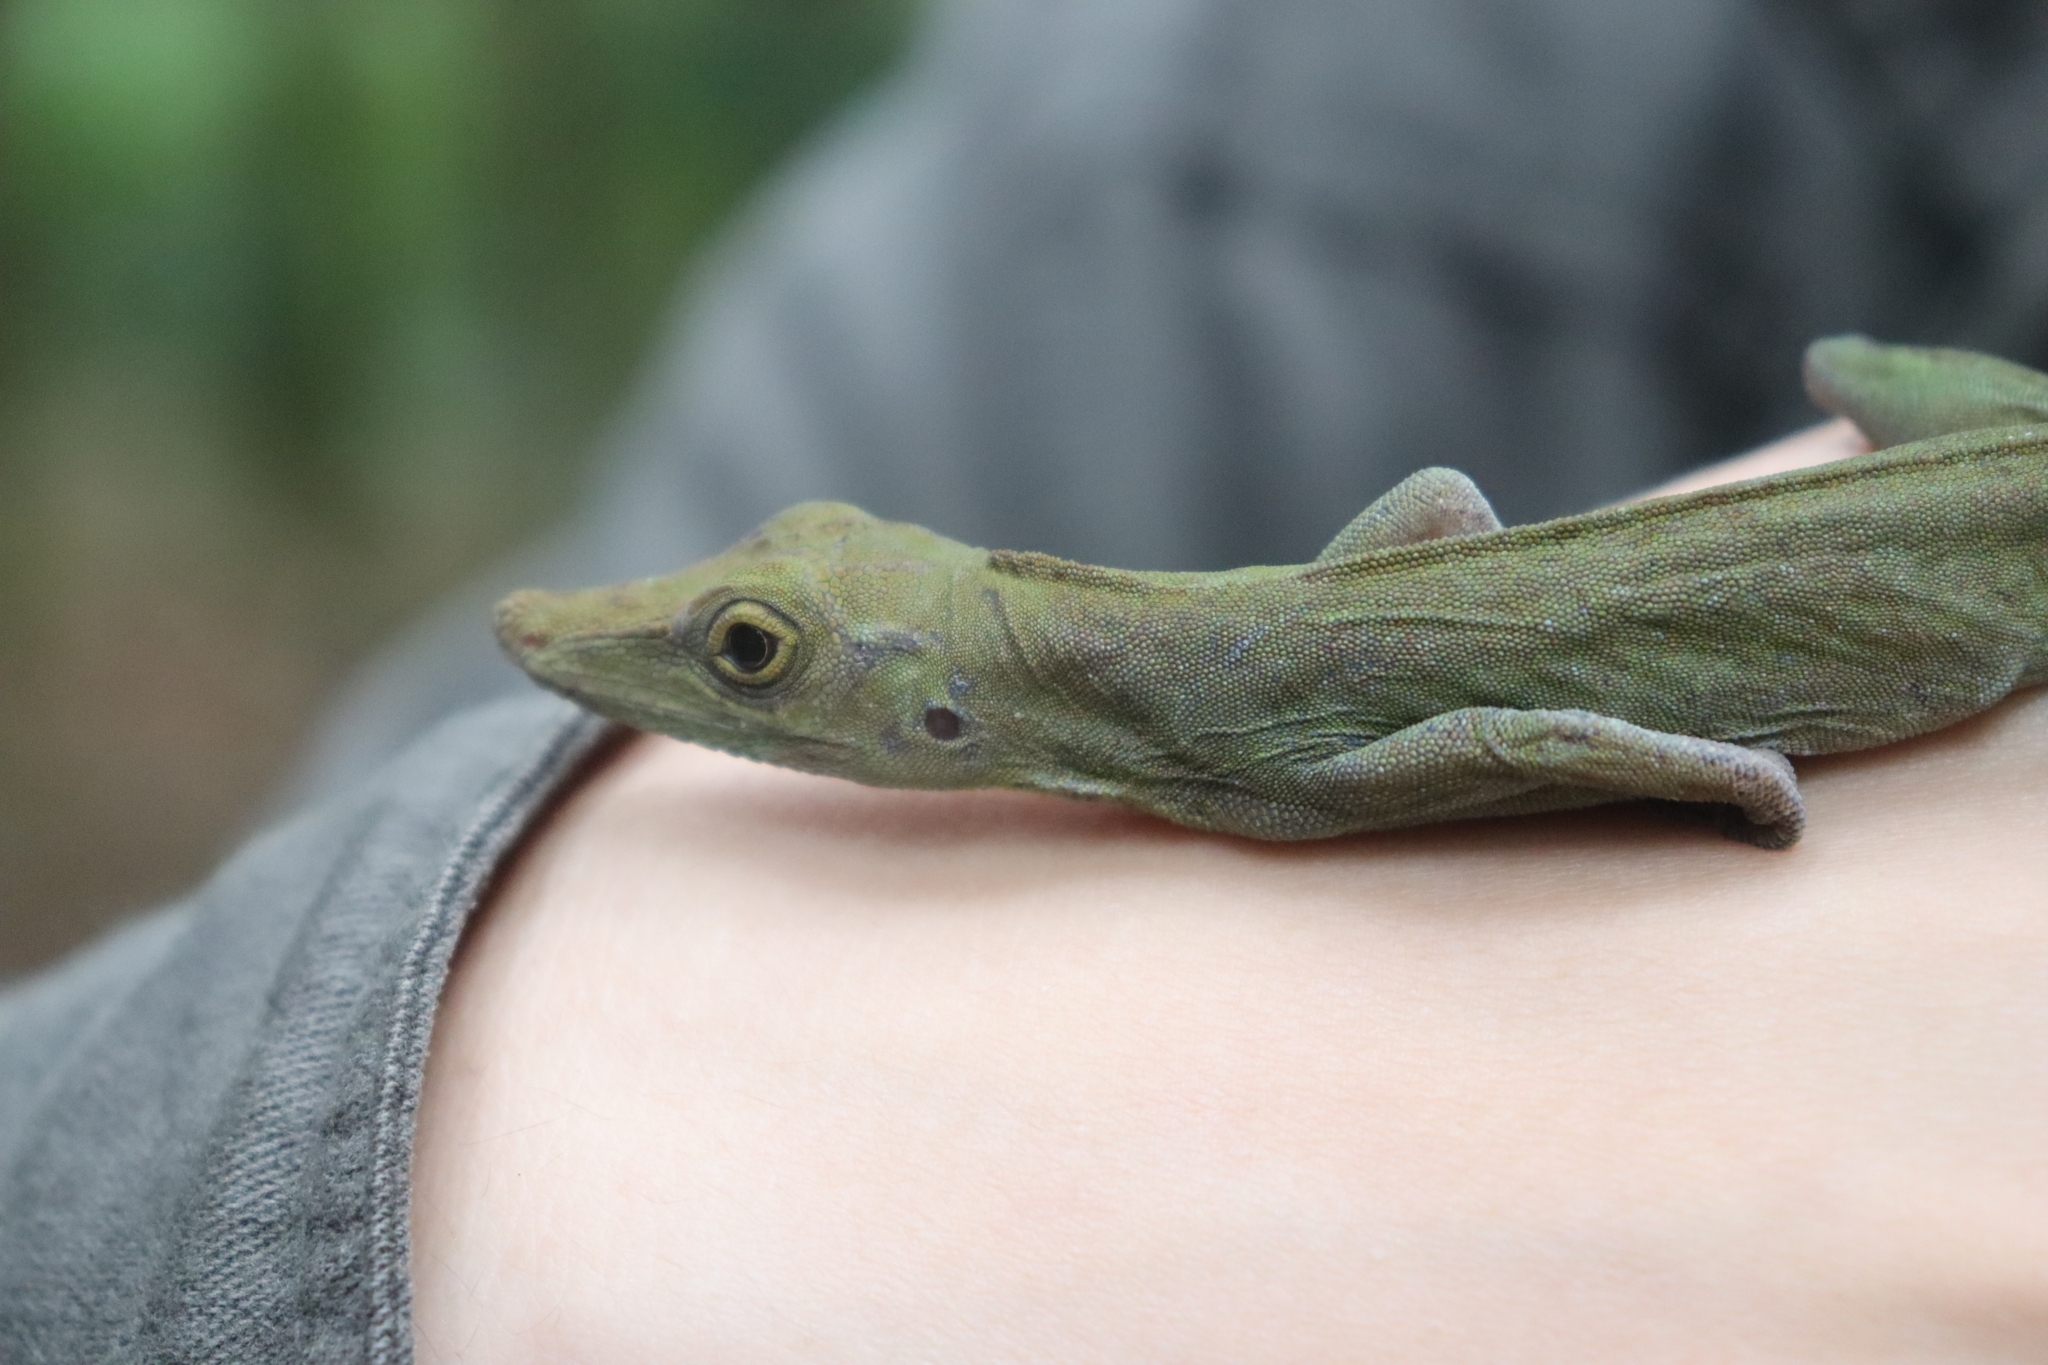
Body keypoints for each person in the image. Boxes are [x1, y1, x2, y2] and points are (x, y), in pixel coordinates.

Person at [5, 1, 2046, 1359]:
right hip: (1956, 469)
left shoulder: (1248, 746)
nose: (583, 642)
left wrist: (1729, 790)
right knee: (1857, 384)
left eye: (751, 658)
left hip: (1981, 568)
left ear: (943, 708)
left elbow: (1529, 722)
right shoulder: (1205, 169)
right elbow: (1435, 518)